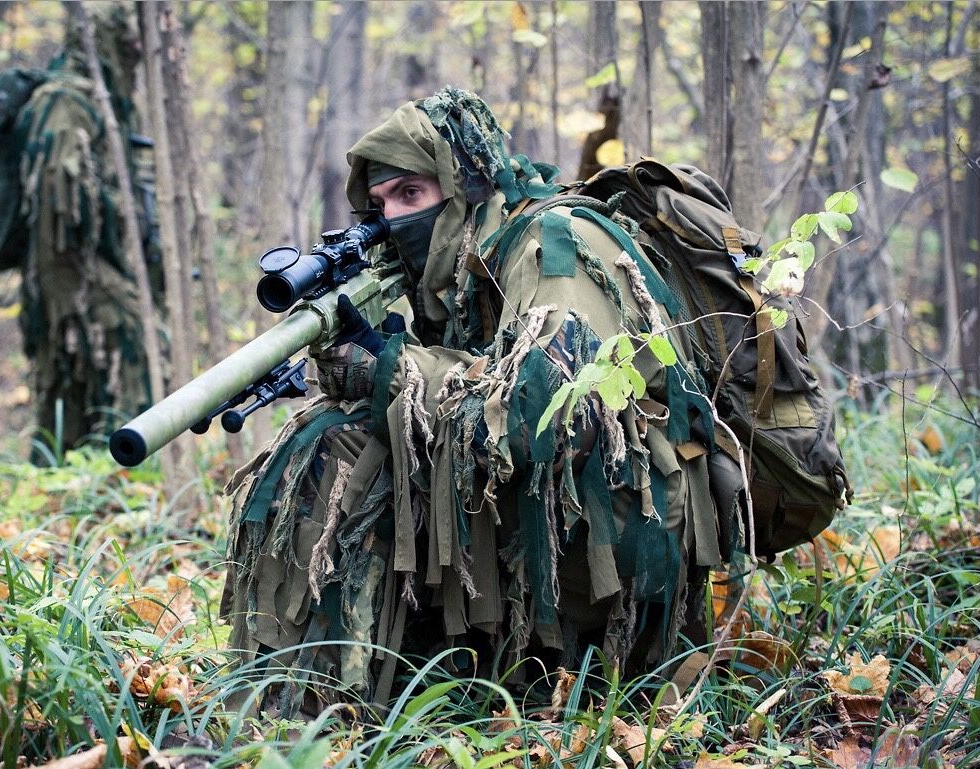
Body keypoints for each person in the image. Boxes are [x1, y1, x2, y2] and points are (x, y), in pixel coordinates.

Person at [221, 88, 729, 713]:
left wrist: (390, 368)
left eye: (412, 195)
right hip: (554, 531)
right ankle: (349, 689)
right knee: (333, 427)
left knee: (338, 446)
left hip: (623, 548)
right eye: (380, 204)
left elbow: (541, 419)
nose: (395, 219)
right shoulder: (468, 269)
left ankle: (314, 714)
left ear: (465, 187)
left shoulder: (550, 243)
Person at [17, 6, 161, 458]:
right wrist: (119, 211)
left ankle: (96, 467)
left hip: (94, 264)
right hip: (68, 269)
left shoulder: (109, 104)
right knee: (97, 356)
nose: (137, 55)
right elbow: (60, 188)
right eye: (129, 45)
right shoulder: (66, 100)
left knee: (90, 371)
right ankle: (110, 466)